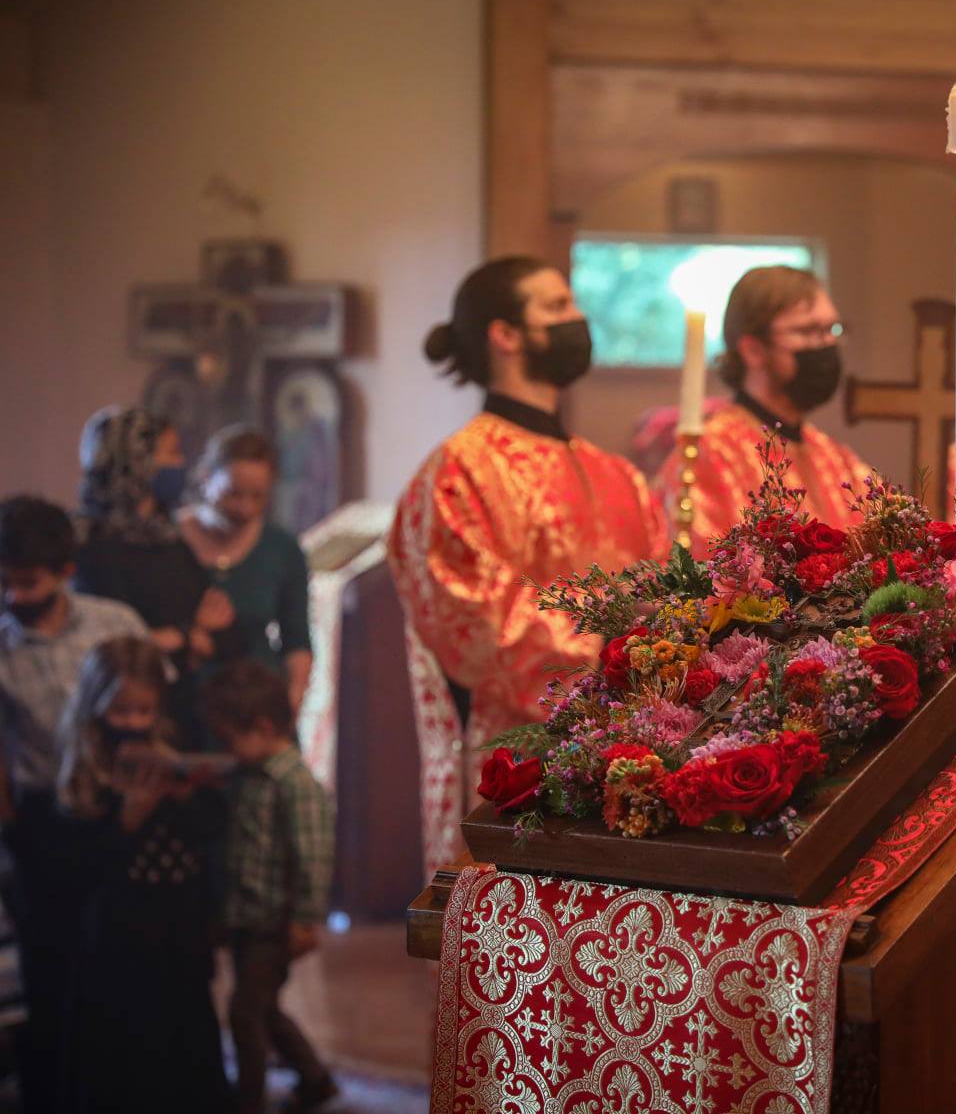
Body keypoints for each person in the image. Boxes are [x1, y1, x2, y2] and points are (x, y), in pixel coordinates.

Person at [389, 256, 665, 867]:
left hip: (636, 764)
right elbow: (481, 624)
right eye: (557, 307)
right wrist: (615, 657)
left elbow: (662, 595)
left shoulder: (619, 475)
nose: (578, 318)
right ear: (505, 334)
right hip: (514, 766)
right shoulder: (459, 471)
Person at [0, 495, 145, 1114]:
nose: (13, 595)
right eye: (3, 582)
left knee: (120, 963)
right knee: (50, 970)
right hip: (41, 822)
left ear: (63, 571)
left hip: (120, 812)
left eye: (27, 582)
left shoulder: (114, 624)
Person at [56, 637, 229, 1113]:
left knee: (187, 1041)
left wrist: (184, 793)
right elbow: (79, 872)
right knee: (129, 1055)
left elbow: (213, 829)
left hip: (182, 927)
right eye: (120, 711)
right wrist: (129, 819)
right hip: (121, 936)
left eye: (143, 710)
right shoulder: (86, 770)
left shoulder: (174, 745)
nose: (133, 722)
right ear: (95, 708)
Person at [652, 265, 874, 554]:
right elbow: (702, 579)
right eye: (808, 331)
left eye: (831, 329)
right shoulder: (711, 454)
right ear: (753, 349)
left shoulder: (836, 458)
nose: (827, 344)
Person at [203, 659, 336, 1114]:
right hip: (245, 917)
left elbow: (313, 855)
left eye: (229, 740)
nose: (226, 750)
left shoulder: (295, 783)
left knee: (245, 1013)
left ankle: (248, 1103)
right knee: (263, 1010)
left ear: (261, 726)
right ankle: (316, 1081)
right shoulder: (248, 772)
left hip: (274, 925)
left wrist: (305, 920)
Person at [73, 405, 241, 746]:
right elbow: (113, 642)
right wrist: (188, 636)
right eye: (172, 454)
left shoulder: (169, 538)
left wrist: (188, 637)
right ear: (136, 461)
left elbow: (223, 630)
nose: (180, 466)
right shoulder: (91, 546)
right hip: (121, 724)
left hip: (180, 714)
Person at [178, 424, 313, 711]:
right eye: (233, 494)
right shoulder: (170, 540)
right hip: (184, 702)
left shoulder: (282, 549)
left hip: (257, 705)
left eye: (258, 496)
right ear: (205, 479)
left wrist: (293, 697)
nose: (245, 508)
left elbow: (296, 639)